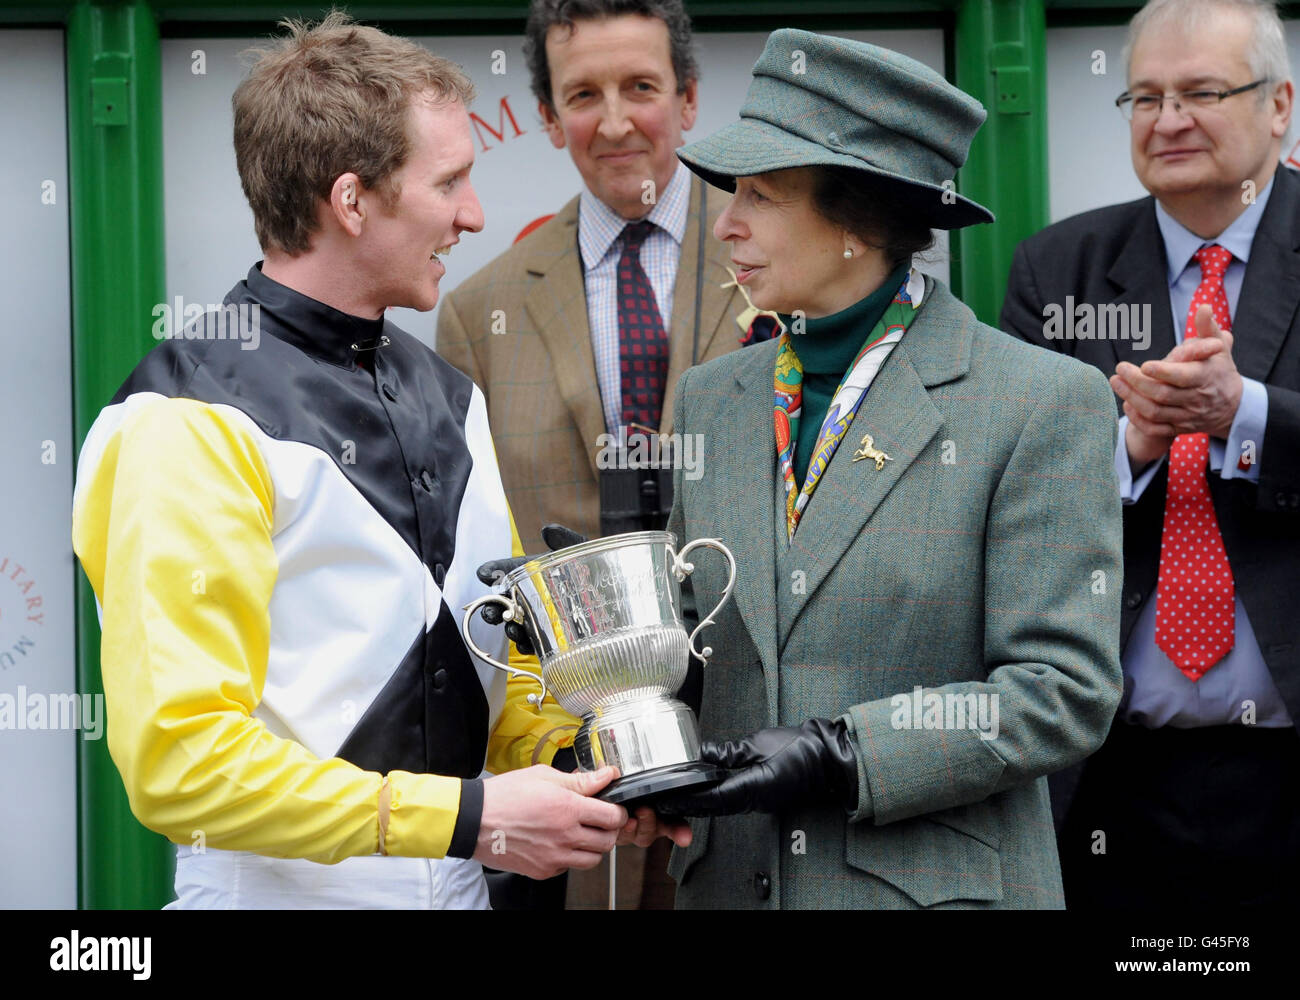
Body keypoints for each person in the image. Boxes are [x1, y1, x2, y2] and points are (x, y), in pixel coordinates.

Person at [69, 12, 675, 909]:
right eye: (450, 183)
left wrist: (590, 773)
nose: (474, 215)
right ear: (352, 202)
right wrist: (469, 820)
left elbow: (499, 700)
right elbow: (182, 766)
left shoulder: (451, 394)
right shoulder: (181, 417)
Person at [647, 28, 1124, 909]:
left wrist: (846, 753)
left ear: (859, 222)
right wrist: (609, 664)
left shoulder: (1041, 401)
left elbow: (1063, 693)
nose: (725, 225)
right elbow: (701, 641)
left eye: (760, 193)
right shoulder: (714, 395)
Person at [438, 0, 766, 909]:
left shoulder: (780, 259)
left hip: (759, 738)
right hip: (572, 778)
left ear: (691, 99)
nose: (615, 121)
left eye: (642, 88)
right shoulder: (477, 310)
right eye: (584, 93)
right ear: (548, 118)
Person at [1000, 0, 1300, 909]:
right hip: (1113, 777)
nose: (1168, 121)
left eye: (1201, 92)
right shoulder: (1060, 271)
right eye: (1145, 97)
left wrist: (1242, 415)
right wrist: (1128, 446)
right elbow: (1008, 498)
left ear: (1279, 104)